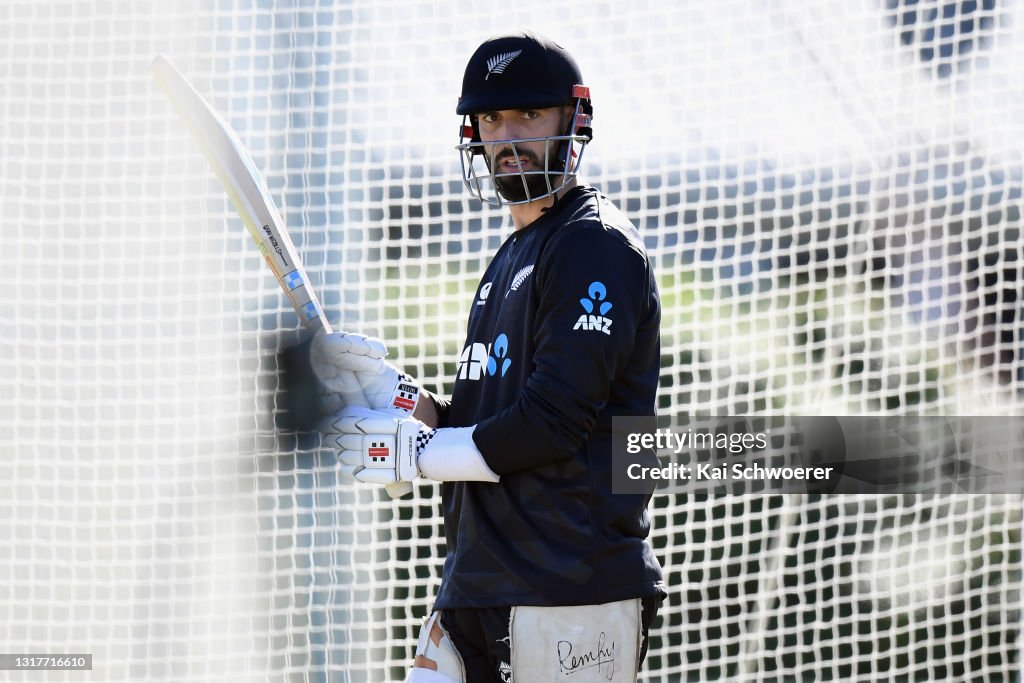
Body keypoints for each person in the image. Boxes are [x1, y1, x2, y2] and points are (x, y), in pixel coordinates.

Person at [311, 31, 665, 683]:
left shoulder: (594, 246)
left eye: (530, 114)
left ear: (574, 120)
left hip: (569, 590)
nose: (508, 136)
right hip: (476, 582)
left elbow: (552, 423)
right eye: (492, 118)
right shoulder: (511, 255)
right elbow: (481, 423)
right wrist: (397, 395)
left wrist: (409, 455)